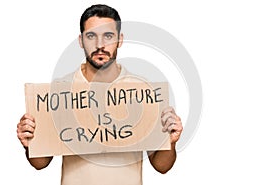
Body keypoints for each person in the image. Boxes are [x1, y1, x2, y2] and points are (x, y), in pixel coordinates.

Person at [17, 4, 183, 185]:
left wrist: (171, 141)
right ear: (81, 41)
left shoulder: (142, 91)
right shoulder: (60, 92)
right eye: (91, 36)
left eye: (108, 36)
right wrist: (29, 142)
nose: (100, 45)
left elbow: (161, 166)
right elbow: (40, 163)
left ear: (120, 40)